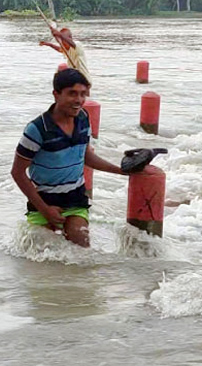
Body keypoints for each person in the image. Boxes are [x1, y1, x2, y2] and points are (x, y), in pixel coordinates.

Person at [10, 69, 123, 247]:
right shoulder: (37, 129)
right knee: (43, 260)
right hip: (43, 200)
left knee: (80, 248)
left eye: (82, 94)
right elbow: (17, 172)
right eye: (72, 94)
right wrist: (44, 209)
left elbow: (86, 156)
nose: (78, 100)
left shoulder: (83, 118)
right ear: (56, 94)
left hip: (75, 198)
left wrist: (121, 170)